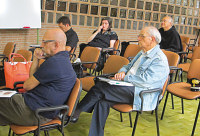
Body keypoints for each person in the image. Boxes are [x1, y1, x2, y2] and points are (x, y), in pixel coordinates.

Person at [72, 26, 169, 136]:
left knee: (101, 87)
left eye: (142, 36)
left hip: (141, 93)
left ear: (152, 39)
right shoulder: (142, 52)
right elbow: (128, 66)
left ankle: (76, 111)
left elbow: (145, 81)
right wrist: (122, 72)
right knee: (102, 100)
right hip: (129, 85)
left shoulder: (159, 59)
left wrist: (125, 78)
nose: (138, 38)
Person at [0, 29, 76, 126]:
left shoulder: (54, 63)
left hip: (35, 112)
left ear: (56, 45)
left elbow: (27, 86)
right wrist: (36, 58)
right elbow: (32, 79)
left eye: (44, 42)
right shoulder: (63, 60)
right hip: (38, 108)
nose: (41, 46)